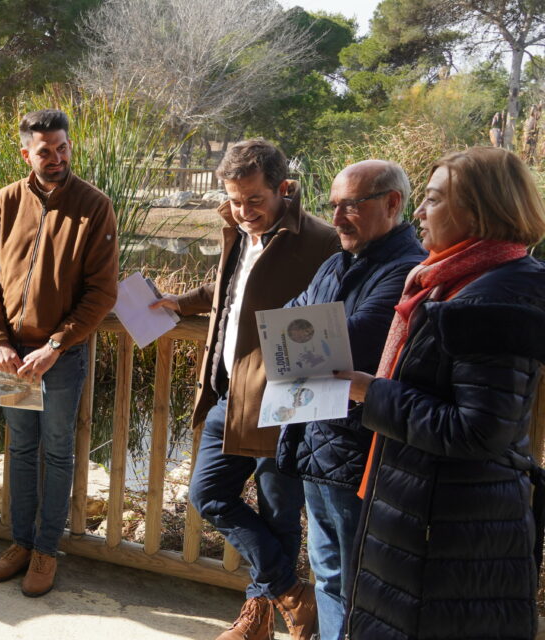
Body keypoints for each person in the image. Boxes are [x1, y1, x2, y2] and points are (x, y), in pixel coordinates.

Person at [335, 147, 545, 639]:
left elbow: (480, 429)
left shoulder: (494, 298)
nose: (418, 213)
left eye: (432, 200)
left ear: (479, 209)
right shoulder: (455, 280)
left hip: (454, 528)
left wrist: (373, 393)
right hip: (431, 515)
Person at [152, 139, 338, 640]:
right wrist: (183, 301)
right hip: (228, 395)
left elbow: (333, 314)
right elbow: (233, 286)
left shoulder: (319, 239)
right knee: (208, 494)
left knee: (279, 512)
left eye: (254, 199)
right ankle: (290, 592)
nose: (243, 210)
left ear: (283, 188)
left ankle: (257, 619)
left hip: (284, 398)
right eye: (234, 200)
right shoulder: (237, 228)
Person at [274, 160, 426, 640]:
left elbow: (354, 343)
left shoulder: (405, 269)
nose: (337, 217)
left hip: (360, 451)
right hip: (316, 438)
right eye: (333, 205)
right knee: (328, 573)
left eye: (351, 206)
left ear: (392, 203)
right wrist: (311, 336)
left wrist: (308, 336)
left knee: (361, 578)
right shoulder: (337, 261)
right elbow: (285, 322)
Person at [0, 109, 118, 597]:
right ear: (26, 154)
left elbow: (103, 292)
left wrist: (57, 344)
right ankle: (19, 542)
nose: (55, 158)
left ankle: (46, 550)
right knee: (20, 448)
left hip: (60, 357)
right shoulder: (7, 200)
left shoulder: (95, 205)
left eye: (62, 148)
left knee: (57, 453)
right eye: (44, 151)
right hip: (13, 355)